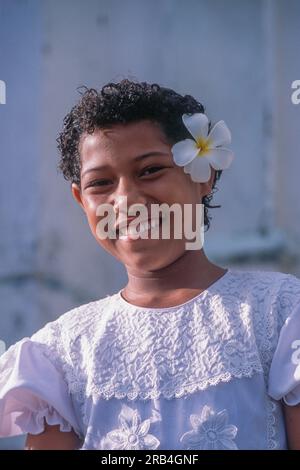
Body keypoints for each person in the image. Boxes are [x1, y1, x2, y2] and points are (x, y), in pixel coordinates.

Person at [0, 79, 300, 450]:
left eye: (150, 171)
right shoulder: (60, 355)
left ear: (202, 174)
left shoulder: (281, 312)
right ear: (81, 200)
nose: (126, 199)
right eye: (101, 183)